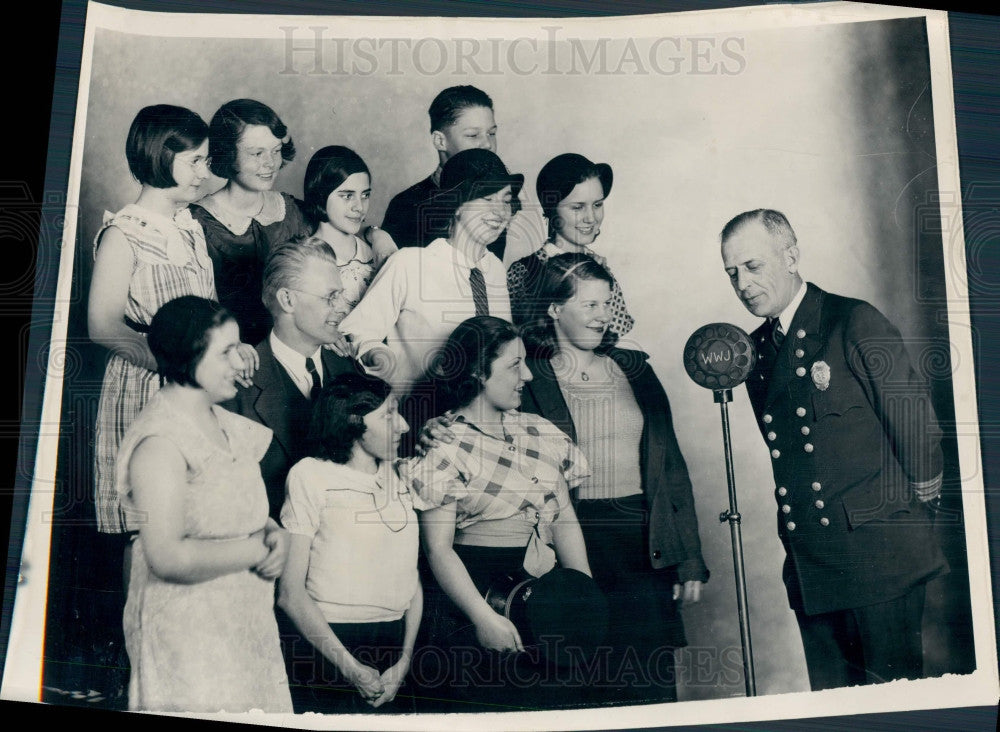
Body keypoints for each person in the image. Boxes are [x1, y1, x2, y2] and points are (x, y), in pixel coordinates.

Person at [719, 208, 948, 690]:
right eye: (732, 272)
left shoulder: (853, 320)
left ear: (792, 255)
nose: (742, 283)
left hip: (879, 556)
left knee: (892, 704)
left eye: (753, 266)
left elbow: (917, 428)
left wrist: (913, 512)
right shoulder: (755, 352)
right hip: (813, 567)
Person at [517, 253, 708, 705]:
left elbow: (671, 469)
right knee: (580, 682)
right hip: (573, 538)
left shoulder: (635, 368)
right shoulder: (528, 378)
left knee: (650, 683)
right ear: (553, 309)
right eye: (590, 305)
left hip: (643, 540)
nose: (603, 316)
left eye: (607, 303)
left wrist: (689, 559)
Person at [400, 316, 595, 711]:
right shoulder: (444, 443)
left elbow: (564, 519)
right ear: (477, 372)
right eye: (513, 365)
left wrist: (583, 598)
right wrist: (482, 618)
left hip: (546, 594)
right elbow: (439, 550)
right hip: (479, 596)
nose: (527, 375)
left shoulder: (539, 430)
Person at [115, 296, 291, 712]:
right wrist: (256, 550)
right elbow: (167, 556)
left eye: (240, 347)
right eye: (226, 351)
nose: (242, 361)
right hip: (189, 640)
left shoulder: (230, 426)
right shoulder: (158, 443)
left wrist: (274, 533)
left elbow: (232, 509)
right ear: (189, 355)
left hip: (246, 626)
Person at [89, 103, 257, 535]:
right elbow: (103, 326)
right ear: (162, 157)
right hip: (148, 383)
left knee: (195, 516)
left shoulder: (190, 227)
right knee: (145, 525)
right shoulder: (122, 234)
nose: (206, 171)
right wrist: (173, 362)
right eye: (195, 161)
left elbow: (212, 308)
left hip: (196, 382)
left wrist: (232, 349)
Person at [278, 373, 422, 714]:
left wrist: (403, 662)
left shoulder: (404, 475)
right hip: (328, 646)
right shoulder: (310, 475)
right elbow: (290, 594)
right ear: (352, 420)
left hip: (396, 647)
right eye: (388, 415)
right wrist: (351, 669)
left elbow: (412, 578)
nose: (402, 425)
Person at [339, 148, 518, 394]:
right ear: (456, 205)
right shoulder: (409, 264)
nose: (500, 212)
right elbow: (354, 332)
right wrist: (381, 358)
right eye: (487, 199)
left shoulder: (496, 269)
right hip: (416, 415)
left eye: (506, 200)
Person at [223, 237, 360, 519]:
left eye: (341, 295)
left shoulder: (350, 369)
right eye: (330, 297)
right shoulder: (235, 389)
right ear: (287, 300)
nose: (343, 307)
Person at [189, 99, 311, 346]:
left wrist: (374, 234)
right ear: (227, 154)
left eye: (275, 151)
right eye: (257, 153)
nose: (270, 163)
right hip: (230, 357)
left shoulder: (293, 210)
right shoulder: (196, 221)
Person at [507, 153, 635, 339]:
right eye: (577, 207)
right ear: (551, 209)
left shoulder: (599, 268)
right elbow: (513, 346)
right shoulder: (525, 271)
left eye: (597, 205)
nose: (591, 218)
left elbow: (618, 340)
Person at [381, 85, 513, 261]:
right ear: (440, 141)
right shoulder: (407, 205)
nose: (487, 144)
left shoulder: (501, 200)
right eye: (473, 135)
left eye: (492, 133)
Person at [302, 145, 396, 312]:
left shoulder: (377, 251)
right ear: (320, 194)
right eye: (347, 196)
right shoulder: (303, 260)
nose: (359, 207)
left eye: (365, 195)